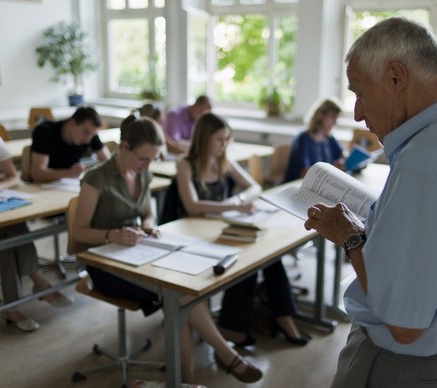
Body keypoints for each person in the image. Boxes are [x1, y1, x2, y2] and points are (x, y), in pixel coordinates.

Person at [303, 17, 437, 387]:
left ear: (395, 77)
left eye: (359, 92)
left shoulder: (426, 163)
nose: (357, 111)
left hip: (399, 367)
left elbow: (404, 323)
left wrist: (351, 238)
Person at [72, 114, 262, 385]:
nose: (148, 166)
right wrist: (112, 234)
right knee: (180, 297)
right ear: (124, 148)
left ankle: (185, 379)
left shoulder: (143, 174)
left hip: (136, 253)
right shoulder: (95, 179)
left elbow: (148, 215)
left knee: (181, 294)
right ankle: (226, 356)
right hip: (105, 264)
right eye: (143, 159)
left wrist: (149, 226)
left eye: (152, 160)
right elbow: (79, 233)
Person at [174, 112, 309, 347]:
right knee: (247, 259)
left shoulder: (222, 160)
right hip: (195, 234)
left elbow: (253, 186)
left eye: (227, 139)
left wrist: (238, 200)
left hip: (220, 228)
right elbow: (192, 206)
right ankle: (236, 326)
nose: (224, 145)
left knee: (269, 256)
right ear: (204, 139)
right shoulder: (186, 164)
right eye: (219, 139)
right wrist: (227, 205)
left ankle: (283, 317)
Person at [0, 108, 73, 332]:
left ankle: (13, 306)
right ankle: (38, 282)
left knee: (9, 233)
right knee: (11, 231)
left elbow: (13, 177)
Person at [30, 106, 111, 183]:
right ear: (72, 123)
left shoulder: (89, 135)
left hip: (69, 185)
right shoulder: (44, 131)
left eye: (93, 135)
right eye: (85, 132)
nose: (87, 141)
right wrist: (68, 173)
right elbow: (37, 174)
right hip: (42, 187)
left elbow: (109, 162)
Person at [284, 98, 345, 182]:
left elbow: (343, 157)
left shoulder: (329, 138)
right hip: (299, 185)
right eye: (332, 117)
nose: (335, 122)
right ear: (321, 115)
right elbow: (305, 172)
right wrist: (333, 169)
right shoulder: (303, 139)